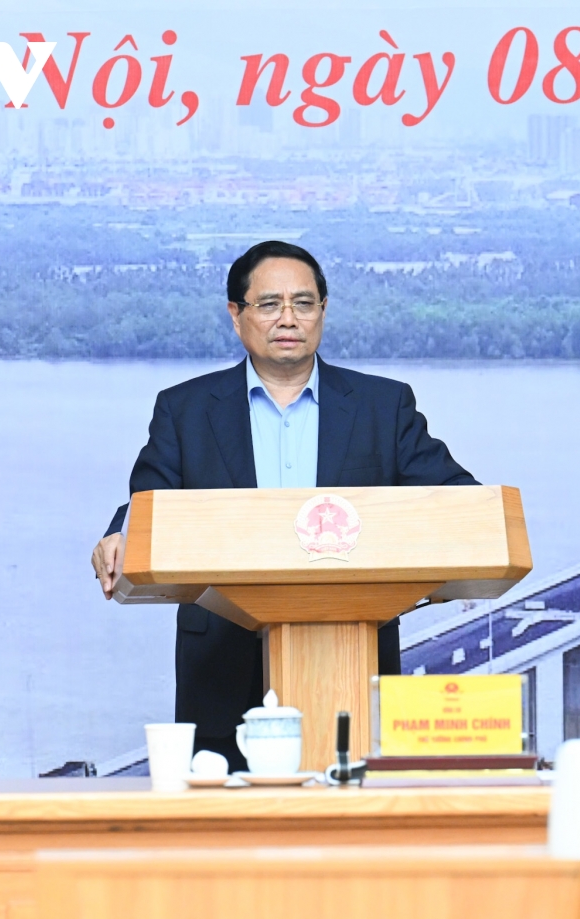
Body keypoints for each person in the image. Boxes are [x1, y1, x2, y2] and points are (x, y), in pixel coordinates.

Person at [89, 240, 478, 771]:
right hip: (220, 670)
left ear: (323, 311)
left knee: (348, 811)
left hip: (351, 666)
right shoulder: (185, 410)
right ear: (236, 315)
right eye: (269, 304)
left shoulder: (383, 407)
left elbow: (457, 502)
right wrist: (121, 533)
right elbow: (149, 505)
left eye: (304, 303)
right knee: (228, 819)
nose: (288, 318)